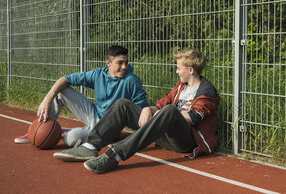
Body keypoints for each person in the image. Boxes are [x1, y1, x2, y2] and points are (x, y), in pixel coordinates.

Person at [53, 48, 220, 174]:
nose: (176, 72)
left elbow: (193, 118)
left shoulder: (206, 91)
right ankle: (90, 145)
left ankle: (116, 155)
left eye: (179, 68)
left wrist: (162, 113)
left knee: (169, 111)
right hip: (165, 134)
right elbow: (162, 104)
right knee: (123, 104)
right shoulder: (180, 87)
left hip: (187, 141)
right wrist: (148, 109)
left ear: (190, 70)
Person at [14, 45, 149, 147]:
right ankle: (41, 127)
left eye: (126, 62)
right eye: (120, 63)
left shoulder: (131, 80)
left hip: (109, 123)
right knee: (61, 90)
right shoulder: (98, 74)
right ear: (108, 63)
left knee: (69, 140)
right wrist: (47, 99)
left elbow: (141, 110)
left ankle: (65, 132)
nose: (124, 66)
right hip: (93, 114)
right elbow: (65, 79)